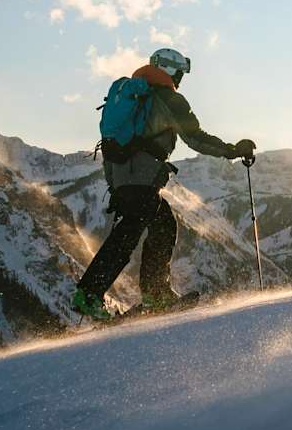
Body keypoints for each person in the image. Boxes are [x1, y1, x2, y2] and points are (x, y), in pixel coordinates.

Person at [72, 48, 256, 320]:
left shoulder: (133, 96)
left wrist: (116, 184)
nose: (181, 78)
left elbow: (112, 142)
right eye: (180, 72)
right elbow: (195, 137)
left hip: (122, 176)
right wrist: (232, 150)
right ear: (170, 70)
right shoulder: (169, 99)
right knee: (131, 232)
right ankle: (93, 293)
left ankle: (153, 292)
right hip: (142, 176)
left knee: (161, 223)